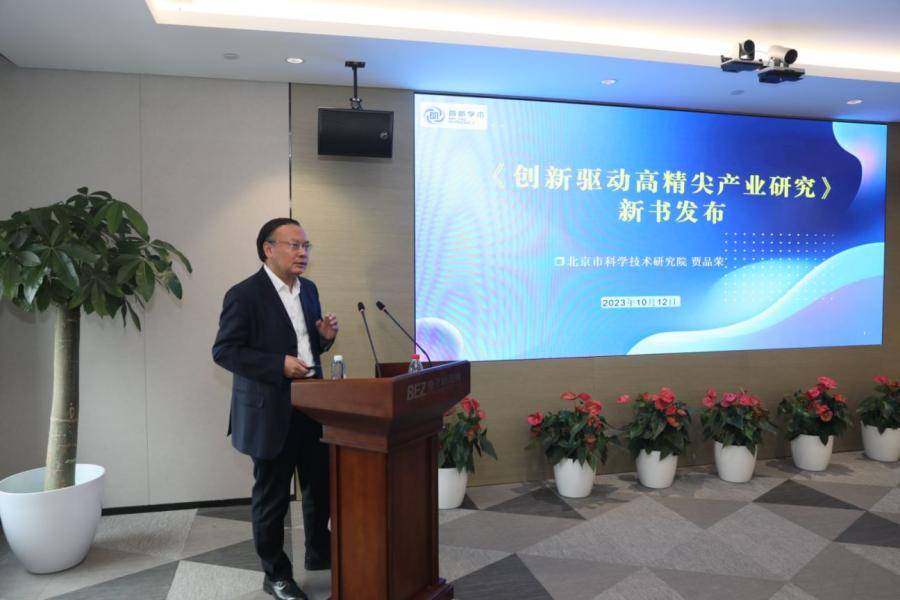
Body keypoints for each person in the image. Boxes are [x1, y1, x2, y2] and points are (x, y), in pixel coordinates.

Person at [213, 217, 338, 600]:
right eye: (294, 245)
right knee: (273, 498)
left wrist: (324, 339)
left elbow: (305, 343)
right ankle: (276, 574)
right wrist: (277, 364)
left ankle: (319, 551)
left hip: (312, 405)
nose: (302, 253)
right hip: (270, 411)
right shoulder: (244, 295)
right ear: (268, 249)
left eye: (306, 246)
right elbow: (225, 351)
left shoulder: (309, 289)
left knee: (319, 487)